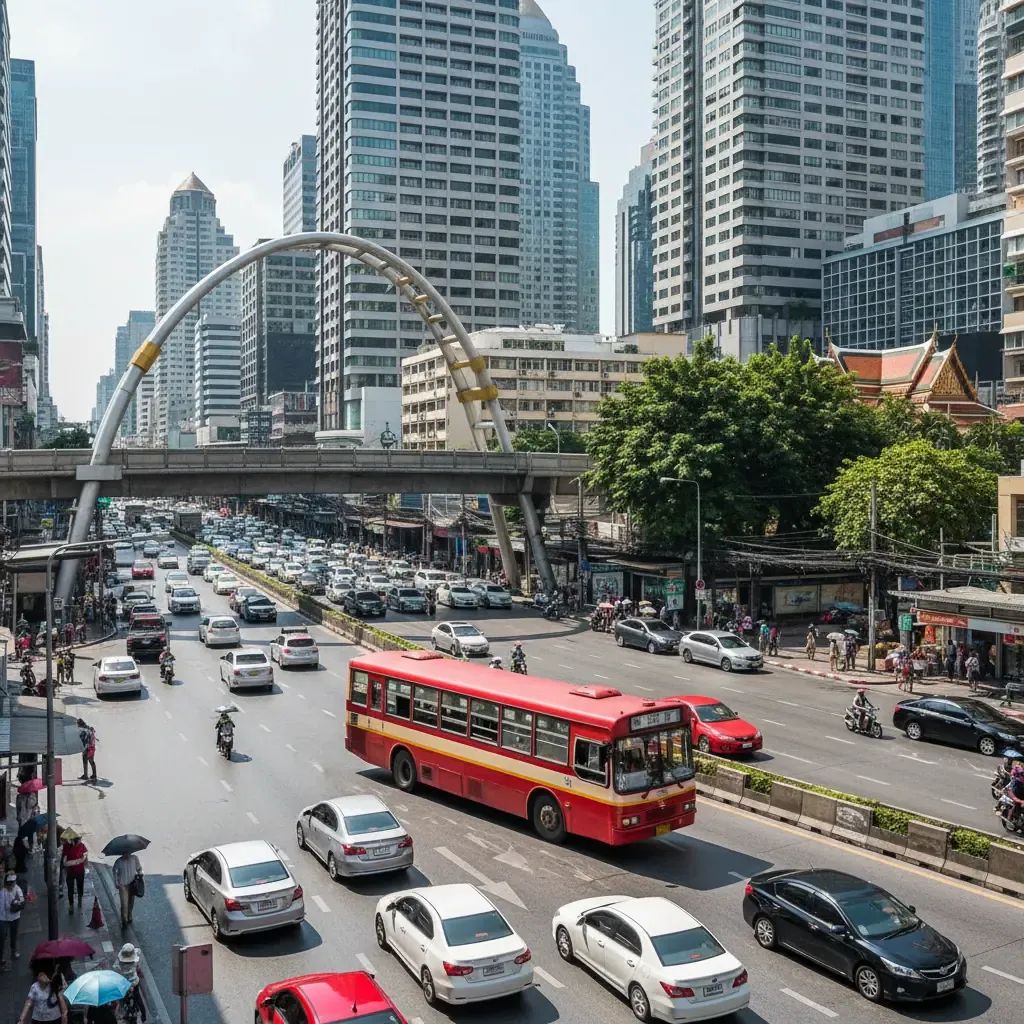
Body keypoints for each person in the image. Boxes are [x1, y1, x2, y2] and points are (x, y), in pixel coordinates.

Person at [0, 871, 26, 968]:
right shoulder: (2, 892)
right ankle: (1, 957)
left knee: (14, 935)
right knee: (2, 937)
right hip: (3, 918)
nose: (12, 885)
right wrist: (14, 903)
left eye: (13, 882)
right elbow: (4, 908)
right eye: (10, 883)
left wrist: (17, 902)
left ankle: (13, 951)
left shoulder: (17, 889)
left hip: (15, 916)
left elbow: (22, 900)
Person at [112, 850, 142, 929]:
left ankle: (129, 914)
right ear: (122, 853)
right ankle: (124, 920)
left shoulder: (135, 858)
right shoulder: (119, 861)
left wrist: (140, 873)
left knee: (131, 902)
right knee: (124, 904)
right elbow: (114, 871)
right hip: (123, 886)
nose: (127, 854)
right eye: (125, 853)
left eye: (128, 852)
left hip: (132, 884)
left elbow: (139, 868)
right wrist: (116, 882)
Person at [61, 833, 88, 914]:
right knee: (70, 889)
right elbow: (64, 862)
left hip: (80, 871)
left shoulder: (82, 846)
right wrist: (78, 861)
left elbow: (85, 857)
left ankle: (79, 900)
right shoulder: (66, 846)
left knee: (80, 887)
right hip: (70, 872)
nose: (80, 841)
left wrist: (81, 861)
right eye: (78, 839)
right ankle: (71, 905)